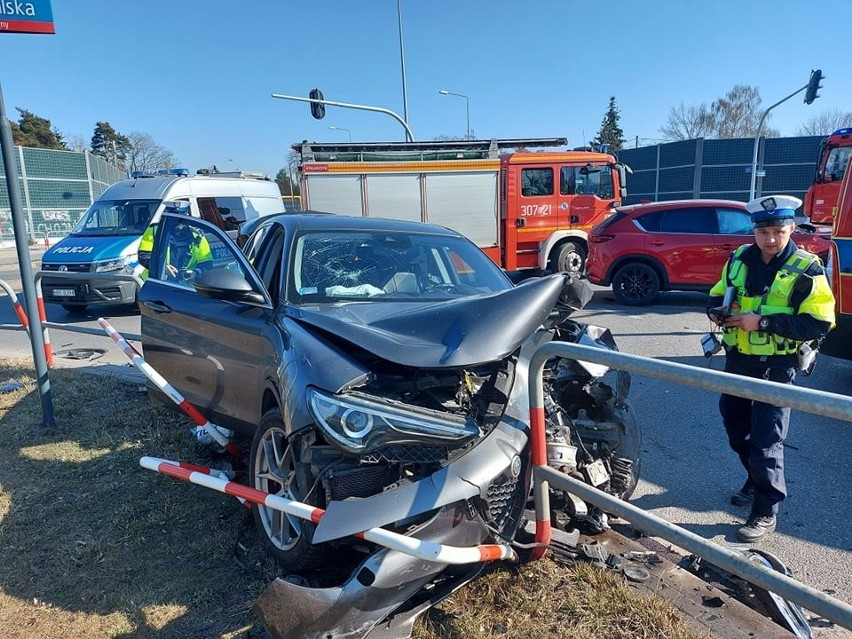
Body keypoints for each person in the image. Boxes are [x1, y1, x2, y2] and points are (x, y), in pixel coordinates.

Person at [707, 194, 835, 542]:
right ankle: (755, 478)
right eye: (764, 232)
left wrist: (761, 323)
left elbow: (819, 324)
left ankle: (765, 510)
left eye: (778, 231)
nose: (770, 239)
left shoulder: (807, 268)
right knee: (736, 430)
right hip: (738, 360)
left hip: (777, 365)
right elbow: (718, 293)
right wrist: (716, 310)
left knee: (767, 440)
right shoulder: (738, 260)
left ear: (791, 228)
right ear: (755, 231)